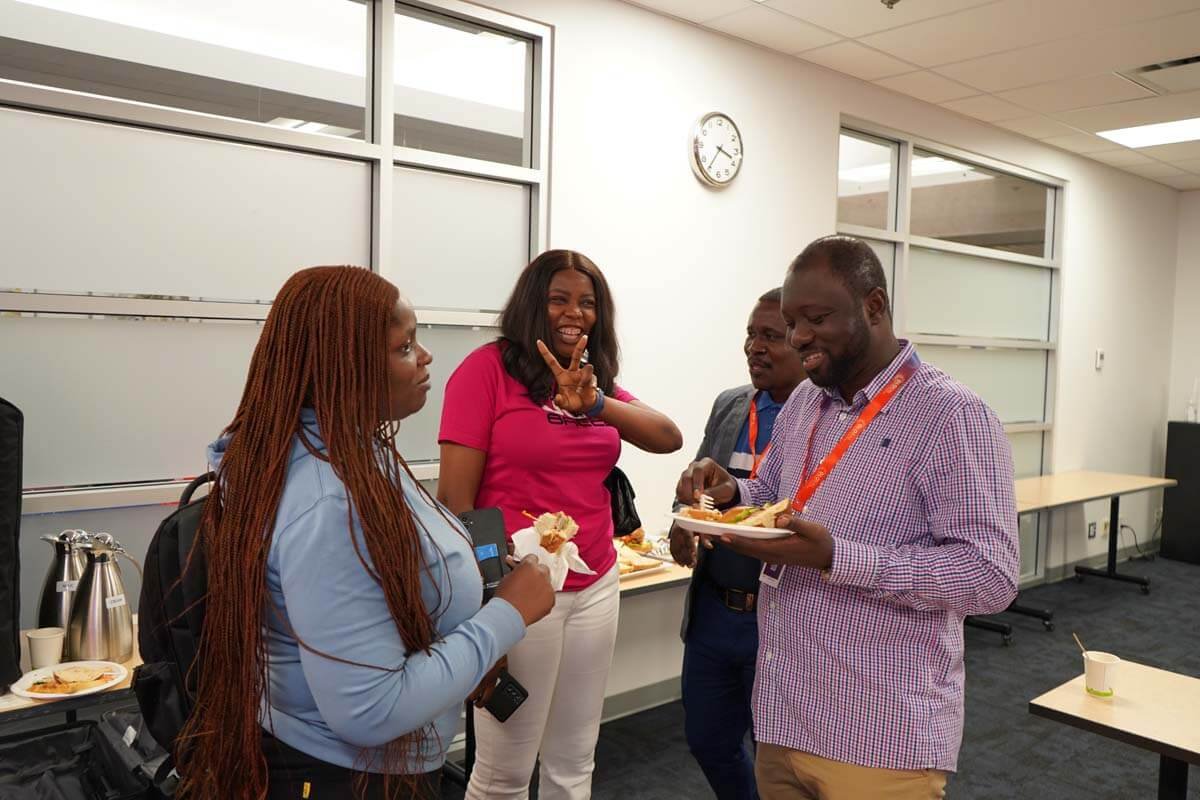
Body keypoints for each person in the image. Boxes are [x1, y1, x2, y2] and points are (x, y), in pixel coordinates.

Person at [175, 266, 555, 800]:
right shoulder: (328, 503)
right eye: (405, 347)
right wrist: (505, 617)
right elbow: (372, 709)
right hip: (350, 776)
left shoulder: (344, 444)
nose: (424, 358)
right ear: (344, 368)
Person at [677, 236, 1019, 800]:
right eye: (790, 322)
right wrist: (732, 490)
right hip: (783, 716)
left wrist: (838, 557)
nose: (798, 337)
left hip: (879, 736)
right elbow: (776, 493)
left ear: (875, 307)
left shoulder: (952, 415)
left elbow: (991, 575)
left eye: (815, 318)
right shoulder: (808, 401)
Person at [438, 249, 683, 800]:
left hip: (596, 581)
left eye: (588, 302)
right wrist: (484, 606)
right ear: (533, 304)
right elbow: (456, 501)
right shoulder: (487, 371)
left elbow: (668, 436)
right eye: (559, 299)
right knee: (504, 771)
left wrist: (596, 404)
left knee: (574, 762)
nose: (575, 312)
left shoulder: (590, 381)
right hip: (520, 590)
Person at [669, 287, 806, 800]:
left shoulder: (824, 422)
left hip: (777, 614)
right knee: (707, 740)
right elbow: (697, 485)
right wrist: (684, 523)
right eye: (751, 335)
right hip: (713, 613)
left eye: (771, 336)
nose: (755, 347)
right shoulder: (731, 405)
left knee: (781, 756)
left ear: (801, 342)